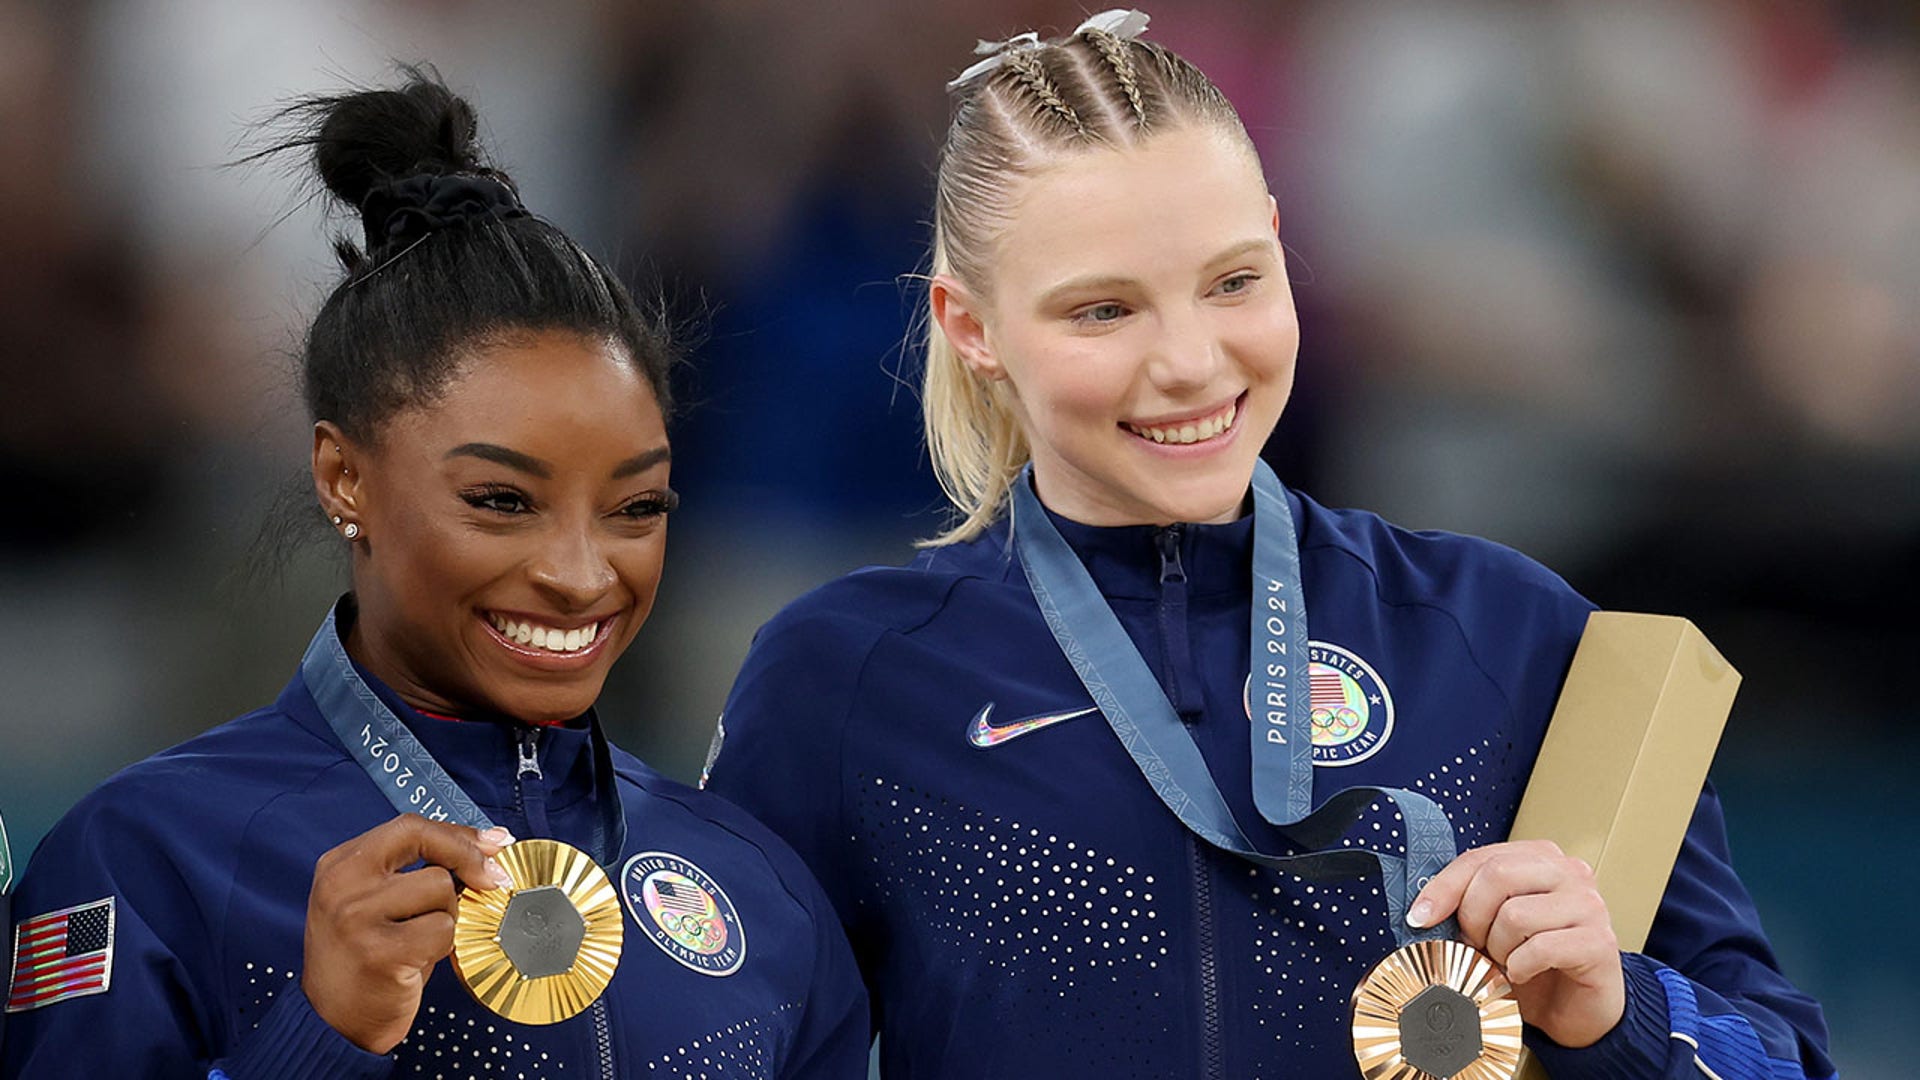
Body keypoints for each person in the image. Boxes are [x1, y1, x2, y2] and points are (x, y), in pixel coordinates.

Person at [704, 11, 1835, 1080]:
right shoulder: (845, 681)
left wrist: (1614, 1009)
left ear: (1284, 251)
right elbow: (700, 1042)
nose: (1191, 360)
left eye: (1234, 282)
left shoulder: (1508, 629)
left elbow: (1786, 1060)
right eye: (1103, 310)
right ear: (972, 327)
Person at [1, 72, 868, 1079]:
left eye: (636, 509)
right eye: (503, 502)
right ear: (345, 476)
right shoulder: (143, 862)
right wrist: (318, 1039)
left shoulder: (759, 891)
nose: (582, 574)